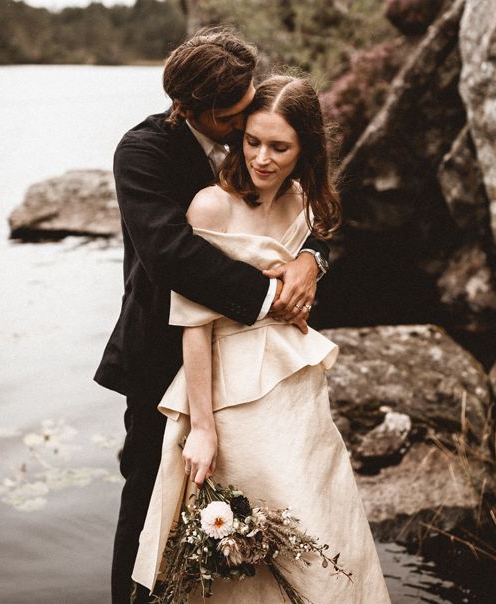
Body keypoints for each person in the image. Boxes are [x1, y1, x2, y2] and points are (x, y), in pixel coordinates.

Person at [131, 75, 392, 603]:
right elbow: (194, 324)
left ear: (305, 149)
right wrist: (201, 428)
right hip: (231, 394)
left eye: (279, 147)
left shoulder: (304, 203)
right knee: (242, 538)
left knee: (321, 509)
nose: (262, 158)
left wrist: (311, 261)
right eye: (252, 142)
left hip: (295, 387)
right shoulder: (211, 206)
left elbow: (317, 246)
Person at [94, 29, 330, 604]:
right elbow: (171, 255)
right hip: (161, 354)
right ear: (192, 109)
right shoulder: (143, 152)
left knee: (264, 492)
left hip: (254, 369)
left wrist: (313, 259)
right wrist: (273, 299)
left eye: (251, 97)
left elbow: (300, 211)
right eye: (235, 115)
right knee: (151, 498)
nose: (250, 120)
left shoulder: (258, 135)